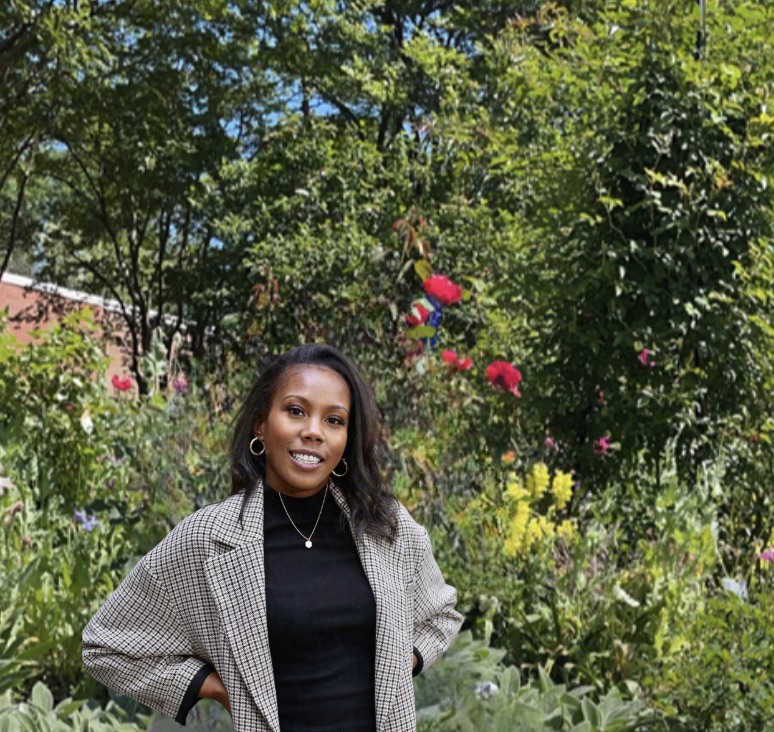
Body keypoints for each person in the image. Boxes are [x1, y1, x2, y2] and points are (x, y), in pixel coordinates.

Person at [82, 344, 462, 732]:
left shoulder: (382, 524)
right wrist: (216, 688)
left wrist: (396, 666)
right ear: (261, 424)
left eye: (334, 420)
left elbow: (440, 614)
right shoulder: (209, 538)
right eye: (296, 411)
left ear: (347, 438)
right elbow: (106, 646)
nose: (313, 432)